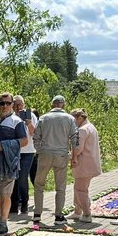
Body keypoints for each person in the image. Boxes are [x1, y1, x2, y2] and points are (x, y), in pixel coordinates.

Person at [31, 95, 77, 224]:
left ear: (52, 104)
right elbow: (75, 137)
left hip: (45, 154)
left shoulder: (44, 118)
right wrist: (73, 155)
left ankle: (37, 213)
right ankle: (58, 216)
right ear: (63, 104)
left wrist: (40, 150)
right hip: (61, 154)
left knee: (39, 184)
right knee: (60, 187)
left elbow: (36, 136)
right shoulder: (69, 118)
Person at [0, 92, 27, 234]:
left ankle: (4, 222)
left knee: (5, 194)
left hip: (9, 163)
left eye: (8, 103)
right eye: (2, 103)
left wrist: (6, 145)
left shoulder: (17, 121)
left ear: (12, 105)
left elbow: (24, 140)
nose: (4, 106)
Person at [68, 108, 101, 222]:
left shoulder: (82, 130)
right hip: (90, 163)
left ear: (80, 118)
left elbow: (78, 148)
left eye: (73, 119)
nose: (72, 122)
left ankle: (87, 214)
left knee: (80, 189)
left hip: (84, 164)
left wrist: (71, 156)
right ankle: (77, 212)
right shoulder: (91, 127)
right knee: (79, 187)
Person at [9, 95, 37, 214]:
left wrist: (29, 124)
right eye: (15, 104)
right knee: (13, 178)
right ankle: (14, 205)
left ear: (24, 105)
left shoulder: (31, 116)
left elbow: (35, 134)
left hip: (28, 151)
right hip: (14, 151)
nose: (18, 107)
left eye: (20, 104)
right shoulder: (11, 117)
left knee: (22, 177)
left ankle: (24, 202)